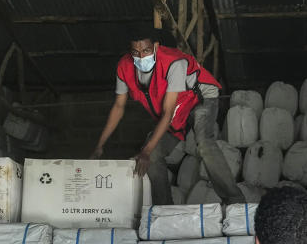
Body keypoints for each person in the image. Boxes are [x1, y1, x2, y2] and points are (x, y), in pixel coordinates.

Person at [93, 26, 244, 205]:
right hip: (177, 108)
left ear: (156, 46)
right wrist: (99, 146)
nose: (141, 57)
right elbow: (118, 107)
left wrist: (145, 151)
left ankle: (235, 201)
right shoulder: (124, 67)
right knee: (154, 152)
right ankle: (164, 210)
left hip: (199, 99)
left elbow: (168, 112)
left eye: (146, 50)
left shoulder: (173, 63)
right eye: (135, 52)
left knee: (203, 141)